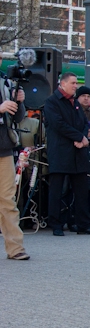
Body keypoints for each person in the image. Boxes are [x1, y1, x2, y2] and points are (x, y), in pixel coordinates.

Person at [43, 72, 90, 236]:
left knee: (81, 190)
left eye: (76, 83)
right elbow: (58, 125)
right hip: (61, 152)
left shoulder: (75, 103)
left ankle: (83, 224)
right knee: (57, 190)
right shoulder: (51, 102)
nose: (75, 86)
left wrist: (82, 137)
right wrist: (79, 137)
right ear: (62, 84)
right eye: (73, 83)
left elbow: (84, 122)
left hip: (78, 153)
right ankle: (56, 224)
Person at [0, 82, 29, 259]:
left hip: (4, 149)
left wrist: (19, 102)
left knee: (8, 201)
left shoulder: (6, 83)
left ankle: (15, 248)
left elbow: (18, 118)